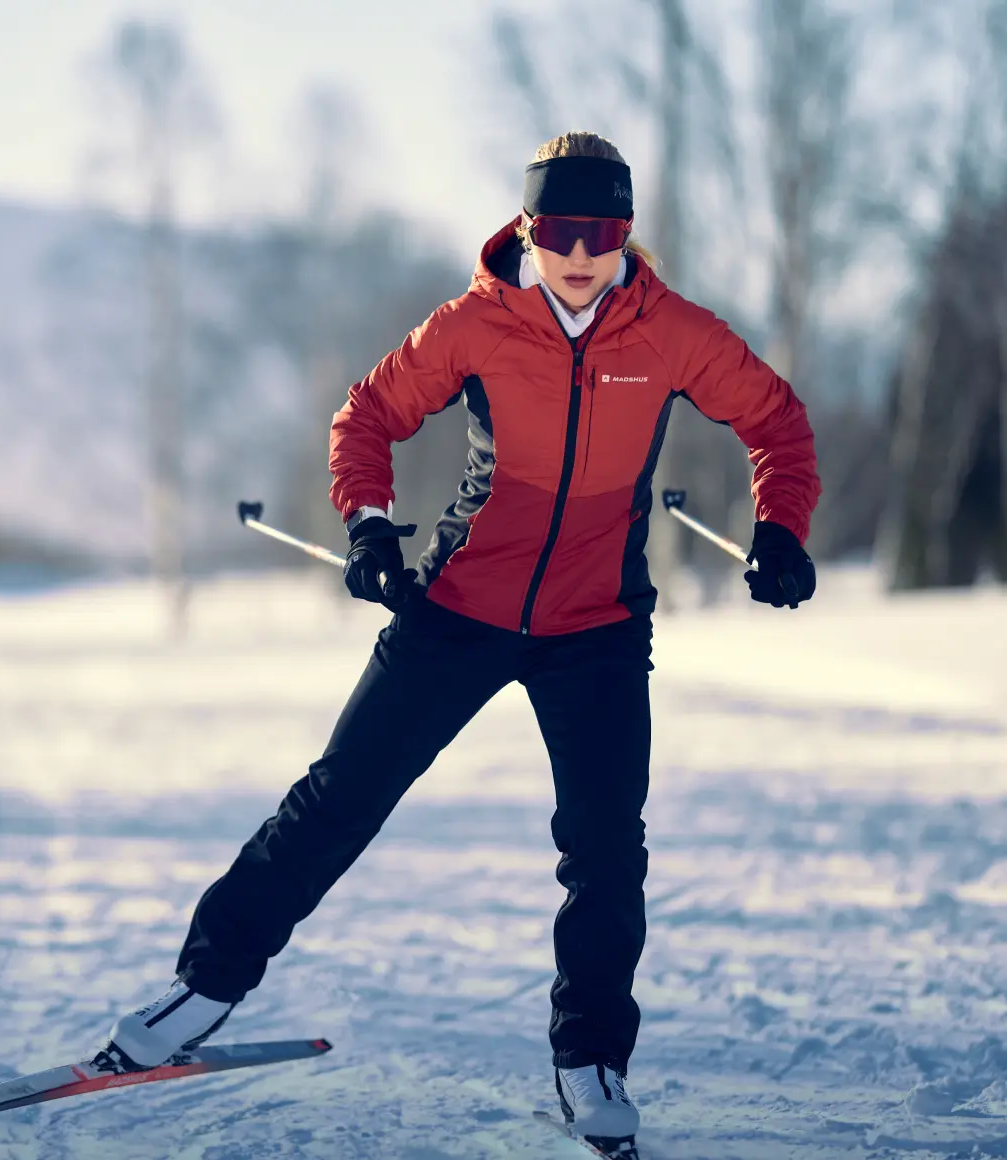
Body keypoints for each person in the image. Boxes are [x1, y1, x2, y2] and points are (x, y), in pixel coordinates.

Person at [98, 131, 821, 1148]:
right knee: (338, 797)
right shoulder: (476, 323)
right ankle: (202, 988)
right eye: (562, 229)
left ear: (626, 235)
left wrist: (783, 526)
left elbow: (777, 420)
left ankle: (591, 1057)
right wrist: (366, 523)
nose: (581, 251)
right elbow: (369, 415)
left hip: (597, 624)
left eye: (603, 230)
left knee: (607, 848)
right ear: (529, 228)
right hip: (460, 608)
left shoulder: (671, 331)